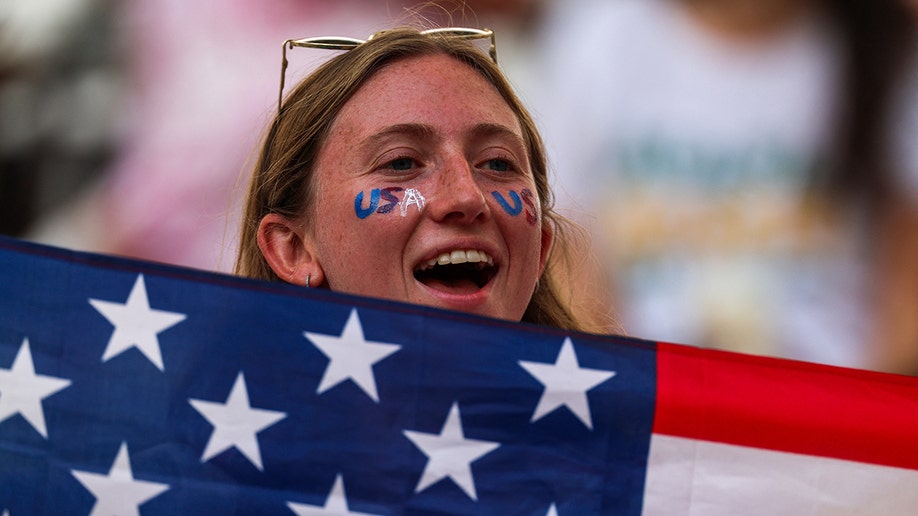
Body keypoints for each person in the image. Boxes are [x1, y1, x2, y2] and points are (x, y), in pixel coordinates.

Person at [235, 26, 615, 334]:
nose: (467, 197)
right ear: (294, 250)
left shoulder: (621, 427)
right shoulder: (197, 430)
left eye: (497, 164)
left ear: (540, 250)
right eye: (401, 162)